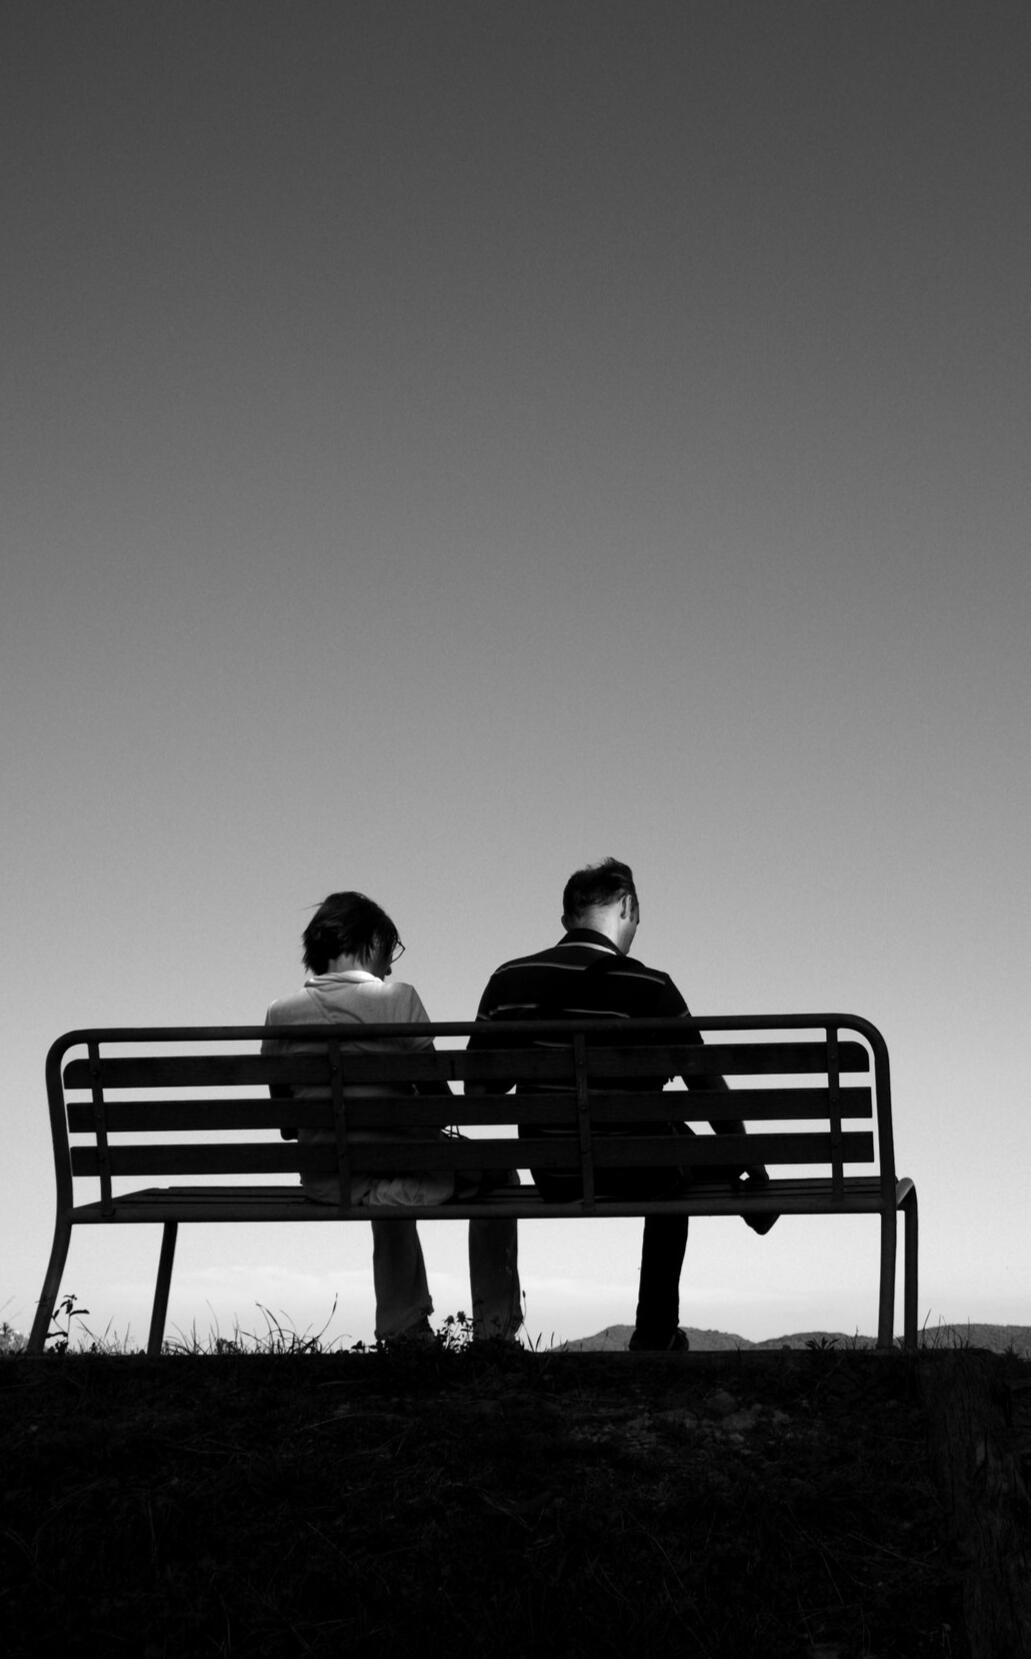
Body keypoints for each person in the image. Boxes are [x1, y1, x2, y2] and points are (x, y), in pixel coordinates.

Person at [469, 857, 774, 1351]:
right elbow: (706, 1085)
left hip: (554, 1171)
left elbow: (480, 1094)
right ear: (628, 906)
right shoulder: (651, 986)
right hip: (642, 1169)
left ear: (568, 917)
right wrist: (749, 1157)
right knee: (673, 1152)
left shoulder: (509, 981)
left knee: (669, 1141)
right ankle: (655, 1332)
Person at [263, 891, 521, 1344]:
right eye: (390, 950)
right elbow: (439, 1102)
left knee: (383, 1166)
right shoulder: (397, 999)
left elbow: (287, 1124)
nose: (391, 965)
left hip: (327, 1181)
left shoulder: (280, 1014)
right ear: (369, 942)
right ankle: (494, 1329)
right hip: (405, 1170)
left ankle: (405, 1330)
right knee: (498, 1176)